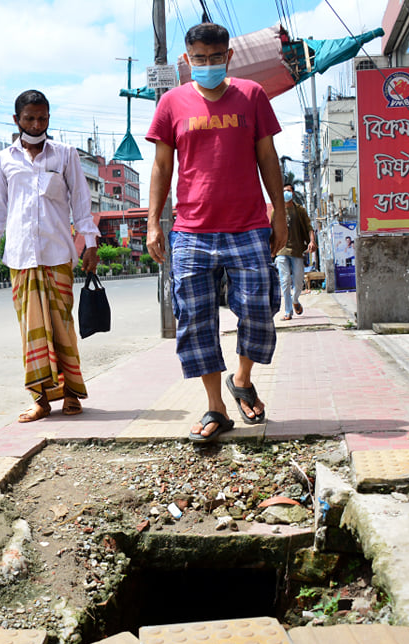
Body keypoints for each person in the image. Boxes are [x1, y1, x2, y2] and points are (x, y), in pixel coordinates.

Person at [145, 22, 289, 443]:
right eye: (199, 59)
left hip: (248, 226)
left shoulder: (251, 95)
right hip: (191, 231)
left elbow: (268, 156)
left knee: (260, 310)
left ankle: (241, 380)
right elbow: (161, 166)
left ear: (228, 57)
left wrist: (278, 213)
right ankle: (216, 407)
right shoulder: (172, 103)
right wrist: (155, 221)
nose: (206, 65)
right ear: (188, 60)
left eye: (214, 58)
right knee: (195, 320)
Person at [0, 89, 99, 422]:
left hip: (58, 254)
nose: (36, 124)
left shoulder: (65, 155)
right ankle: (41, 400)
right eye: (29, 118)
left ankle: (72, 394)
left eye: (42, 117)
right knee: (31, 333)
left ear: (49, 118)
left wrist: (90, 243)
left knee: (62, 327)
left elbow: (82, 205)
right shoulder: (4, 160)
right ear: (16, 120)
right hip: (19, 258)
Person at [275, 184, 316, 320]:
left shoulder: (300, 211)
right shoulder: (277, 210)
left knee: (298, 281)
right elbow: (270, 227)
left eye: (288, 191)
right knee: (285, 281)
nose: (286, 193)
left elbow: (309, 227)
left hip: (297, 250)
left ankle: (295, 300)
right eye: (284, 191)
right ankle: (287, 311)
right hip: (281, 250)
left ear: (293, 193)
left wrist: (311, 241)